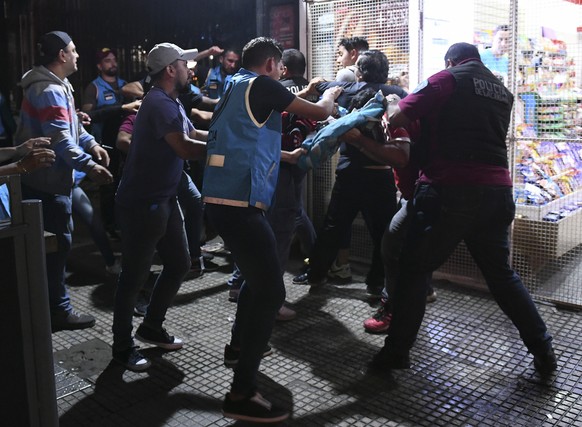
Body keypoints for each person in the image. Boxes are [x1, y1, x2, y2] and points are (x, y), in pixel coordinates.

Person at [371, 42, 557, 378]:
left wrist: (393, 104)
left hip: (450, 188)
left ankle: (396, 353)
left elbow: (399, 116)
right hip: (498, 191)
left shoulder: (447, 79)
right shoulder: (502, 91)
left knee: (414, 269)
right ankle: (544, 349)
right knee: (501, 276)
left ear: (451, 60)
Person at [202, 37, 342, 423]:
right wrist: (330, 92)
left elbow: (242, 137)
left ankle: (236, 349)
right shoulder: (262, 85)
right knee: (272, 288)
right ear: (270, 66)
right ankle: (242, 393)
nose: (282, 76)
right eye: (279, 70)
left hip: (222, 197)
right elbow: (319, 110)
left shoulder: (234, 84)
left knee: (255, 278)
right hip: (239, 203)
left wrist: (286, 154)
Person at [112, 42, 207, 371]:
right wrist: (227, 151)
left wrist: (226, 136)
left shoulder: (171, 101)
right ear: (170, 70)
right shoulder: (159, 104)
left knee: (179, 263)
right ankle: (122, 346)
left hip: (163, 199)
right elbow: (185, 147)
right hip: (142, 204)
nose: (189, 69)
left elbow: (194, 133)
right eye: (184, 64)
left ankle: (151, 326)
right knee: (133, 277)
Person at [15, 31, 113, 332]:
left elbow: (71, 131)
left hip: (57, 179)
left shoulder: (61, 86)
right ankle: (57, 310)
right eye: (73, 50)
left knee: (73, 230)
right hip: (46, 180)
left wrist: (92, 143)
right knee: (58, 245)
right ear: (61, 56)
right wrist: (91, 165)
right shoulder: (50, 91)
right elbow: (60, 141)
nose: (77, 55)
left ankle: (51, 302)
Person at [295, 50, 408, 295]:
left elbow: (320, 85)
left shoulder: (345, 89)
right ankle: (376, 283)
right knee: (383, 234)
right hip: (380, 173)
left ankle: (316, 275)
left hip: (349, 172)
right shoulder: (396, 95)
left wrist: (320, 83)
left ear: (360, 71)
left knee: (333, 227)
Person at [82, 47, 141, 240]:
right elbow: (89, 116)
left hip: (124, 141)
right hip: (104, 145)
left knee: (125, 183)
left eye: (114, 60)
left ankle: (125, 222)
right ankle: (109, 225)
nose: (113, 63)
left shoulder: (125, 85)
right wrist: (120, 108)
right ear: (99, 66)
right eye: (107, 60)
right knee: (108, 186)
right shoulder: (94, 88)